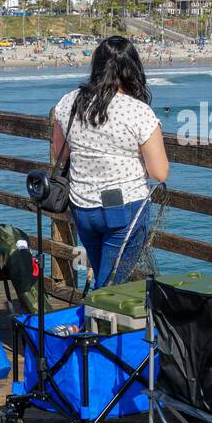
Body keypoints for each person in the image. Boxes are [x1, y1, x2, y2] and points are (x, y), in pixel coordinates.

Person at [51, 36, 169, 287]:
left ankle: (104, 320)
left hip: (82, 206)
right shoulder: (137, 111)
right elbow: (160, 173)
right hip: (124, 207)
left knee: (105, 275)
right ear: (132, 68)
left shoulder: (69, 102)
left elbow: (60, 152)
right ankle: (97, 323)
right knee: (110, 285)